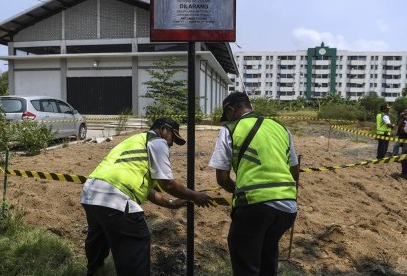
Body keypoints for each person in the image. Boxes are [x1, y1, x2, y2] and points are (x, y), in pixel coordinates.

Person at [81, 117, 213, 276]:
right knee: (136, 245)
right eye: (172, 138)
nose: (171, 144)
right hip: (115, 199)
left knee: (98, 254)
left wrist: (171, 203)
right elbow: (168, 184)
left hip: (92, 195)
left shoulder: (135, 140)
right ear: (164, 130)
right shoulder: (158, 142)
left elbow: (149, 190)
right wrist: (195, 196)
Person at [209, 92, 300, 276]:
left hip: (254, 206)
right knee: (267, 256)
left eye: (226, 115)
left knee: (245, 262)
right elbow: (294, 169)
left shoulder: (230, 129)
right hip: (287, 208)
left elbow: (222, 178)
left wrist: (238, 191)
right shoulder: (280, 128)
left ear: (231, 110)